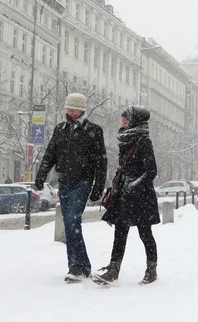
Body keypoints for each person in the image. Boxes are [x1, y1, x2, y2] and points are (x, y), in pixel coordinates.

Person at [35, 93, 107, 282]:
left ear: (81, 109)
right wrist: (41, 174)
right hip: (64, 182)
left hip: (82, 182)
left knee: (73, 220)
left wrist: (98, 187)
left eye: (73, 108)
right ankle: (79, 265)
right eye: (68, 108)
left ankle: (77, 267)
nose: (69, 111)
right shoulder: (61, 129)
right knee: (69, 224)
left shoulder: (94, 131)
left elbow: (101, 161)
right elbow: (50, 153)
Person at [95, 105, 160, 285]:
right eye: (123, 118)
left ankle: (151, 269)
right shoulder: (125, 139)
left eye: (127, 118)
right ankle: (113, 269)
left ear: (136, 121)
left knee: (145, 233)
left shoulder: (143, 141)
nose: (123, 121)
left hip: (141, 196)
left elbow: (151, 171)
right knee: (120, 232)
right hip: (125, 193)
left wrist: (134, 185)